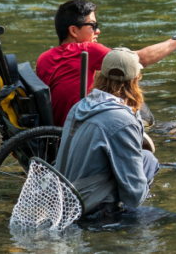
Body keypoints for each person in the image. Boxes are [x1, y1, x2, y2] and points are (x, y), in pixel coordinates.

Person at [36, 0, 176, 126]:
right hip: (74, 135)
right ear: (73, 31)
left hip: (52, 136)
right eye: (93, 25)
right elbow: (138, 60)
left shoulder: (44, 57)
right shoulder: (87, 50)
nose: (97, 30)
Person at [54, 48, 161, 219]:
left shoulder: (79, 107)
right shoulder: (122, 120)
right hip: (89, 210)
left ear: (101, 76)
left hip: (61, 200)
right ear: (135, 80)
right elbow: (134, 196)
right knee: (149, 160)